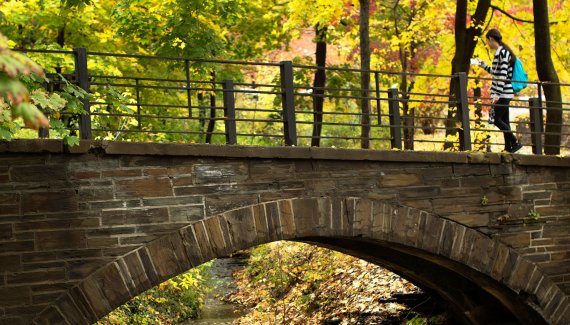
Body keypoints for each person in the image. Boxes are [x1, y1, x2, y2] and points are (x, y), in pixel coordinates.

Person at [478, 28, 523, 153]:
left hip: (503, 92)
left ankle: (515, 142)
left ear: (491, 39)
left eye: (487, 41)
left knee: (496, 119)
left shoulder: (503, 52)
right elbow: (496, 72)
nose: (487, 44)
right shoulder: (500, 52)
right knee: (505, 120)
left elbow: (502, 75)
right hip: (503, 91)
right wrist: (484, 66)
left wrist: (497, 94)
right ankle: (508, 147)